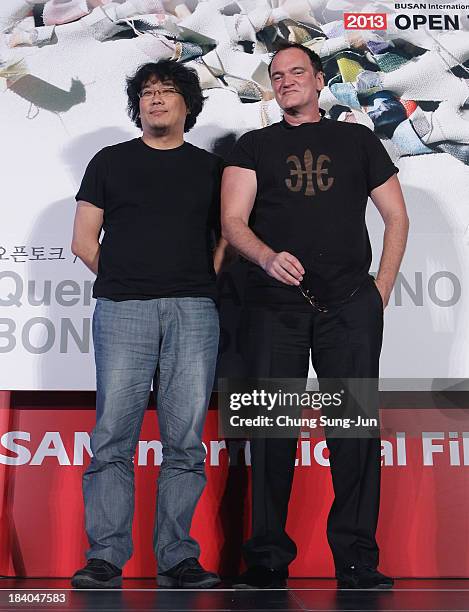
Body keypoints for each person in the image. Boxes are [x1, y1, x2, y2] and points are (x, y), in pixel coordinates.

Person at [221, 42, 409, 589]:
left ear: (320, 79)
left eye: (297, 72)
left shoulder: (357, 140)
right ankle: (267, 559)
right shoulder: (252, 146)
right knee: (272, 434)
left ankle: (356, 561)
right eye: (277, 75)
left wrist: (380, 290)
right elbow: (233, 220)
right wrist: (264, 255)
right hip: (275, 309)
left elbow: (396, 217)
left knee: (352, 434)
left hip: (350, 309)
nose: (286, 81)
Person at [71, 60, 226, 589]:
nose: (155, 99)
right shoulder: (109, 162)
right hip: (123, 309)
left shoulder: (210, 169)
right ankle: (105, 556)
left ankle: (178, 557)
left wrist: (197, 280)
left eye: (166, 91)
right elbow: (83, 240)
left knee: (184, 440)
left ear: (188, 104)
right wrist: (127, 277)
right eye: (146, 93)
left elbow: (226, 237)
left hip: (194, 310)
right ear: (137, 105)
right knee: (113, 436)